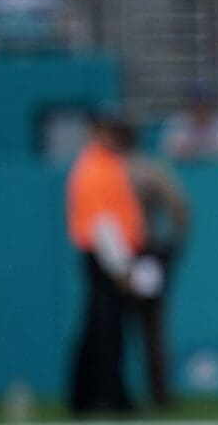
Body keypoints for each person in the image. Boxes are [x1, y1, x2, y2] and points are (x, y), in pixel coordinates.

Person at [65, 108, 144, 415]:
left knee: (96, 328)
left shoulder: (102, 164)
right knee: (108, 330)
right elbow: (103, 223)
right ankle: (113, 396)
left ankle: (84, 397)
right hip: (104, 258)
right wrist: (121, 266)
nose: (115, 136)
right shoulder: (97, 168)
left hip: (103, 256)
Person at [124, 124, 190, 409]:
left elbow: (177, 205)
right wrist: (171, 247)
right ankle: (158, 391)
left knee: (122, 324)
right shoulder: (148, 169)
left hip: (130, 252)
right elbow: (178, 206)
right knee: (152, 324)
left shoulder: (119, 171)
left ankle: (120, 392)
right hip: (147, 251)